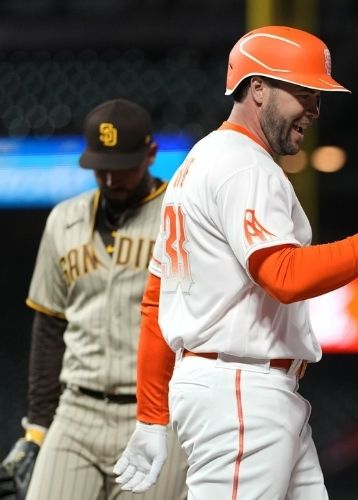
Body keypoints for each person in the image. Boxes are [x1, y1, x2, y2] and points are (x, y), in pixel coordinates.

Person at [113, 25, 358, 499]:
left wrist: (151, 415)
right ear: (258, 88)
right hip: (240, 390)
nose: (313, 108)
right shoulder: (243, 165)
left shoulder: (199, 161)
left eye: (318, 96)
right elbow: (285, 276)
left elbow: (155, 303)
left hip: (240, 387)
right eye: (303, 91)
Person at [0, 99, 188, 500]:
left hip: (155, 415)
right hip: (77, 411)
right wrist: (36, 429)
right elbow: (49, 328)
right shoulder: (63, 220)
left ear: (151, 153)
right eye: (99, 167)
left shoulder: (183, 218)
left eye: (121, 168)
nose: (108, 178)